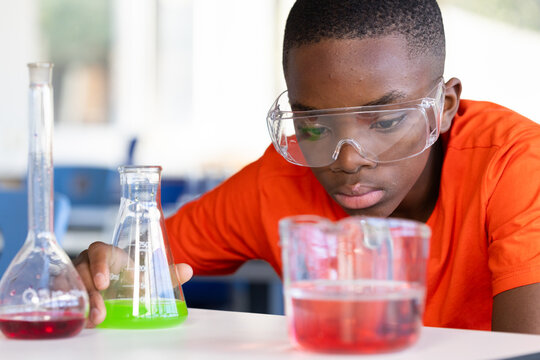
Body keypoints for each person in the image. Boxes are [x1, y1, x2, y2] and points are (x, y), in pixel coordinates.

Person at [74, 0, 540, 333]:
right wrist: (98, 273)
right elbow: (141, 266)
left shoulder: (516, 167)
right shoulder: (278, 180)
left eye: (385, 120)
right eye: (315, 125)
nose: (349, 158)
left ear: (444, 106)